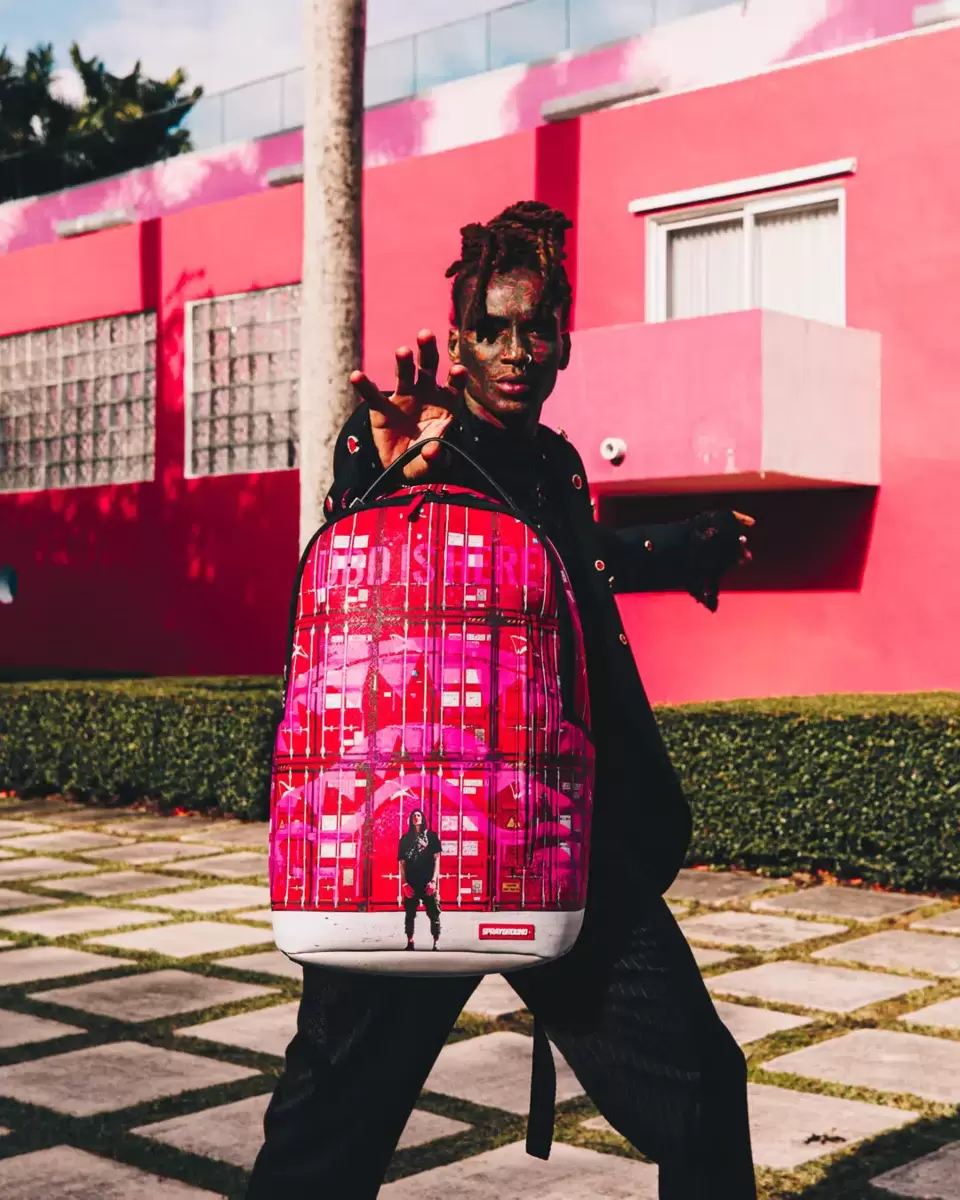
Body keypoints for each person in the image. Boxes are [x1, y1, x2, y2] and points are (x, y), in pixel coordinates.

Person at [247, 201, 757, 1199]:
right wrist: (376, 455)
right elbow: (364, 522)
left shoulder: (557, 464)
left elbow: (580, 563)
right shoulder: (425, 444)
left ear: (564, 339)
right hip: (404, 843)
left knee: (700, 1084)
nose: (516, 351)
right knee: (325, 1135)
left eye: (536, 329)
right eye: (491, 330)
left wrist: (686, 545)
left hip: (554, 835)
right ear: (460, 343)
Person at [398, 809, 442, 950]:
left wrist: (433, 881)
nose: (416, 818)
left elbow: (437, 860)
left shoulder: (432, 837)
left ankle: (436, 941)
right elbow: (402, 863)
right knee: (409, 913)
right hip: (411, 881)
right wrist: (404, 883)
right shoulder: (405, 840)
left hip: (428, 881)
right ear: (410, 820)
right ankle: (410, 941)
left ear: (423, 818)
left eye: (418, 815)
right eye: (413, 816)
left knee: (434, 912)